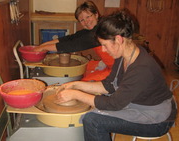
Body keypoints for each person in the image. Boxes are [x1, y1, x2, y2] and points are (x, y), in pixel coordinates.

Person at [54, 9, 177, 141]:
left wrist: (76, 94)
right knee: (97, 101)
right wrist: (76, 85)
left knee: (93, 120)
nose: (103, 50)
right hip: (139, 104)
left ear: (118, 39)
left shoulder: (142, 68)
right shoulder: (124, 54)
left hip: (156, 119)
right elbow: (109, 85)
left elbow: (114, 104)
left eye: (105, 45)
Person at [34, 1, 114, 81]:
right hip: (110, 64)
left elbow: (72, 45)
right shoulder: (94, 28)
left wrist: (45, 48)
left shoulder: (99, 31)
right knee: (87, 67)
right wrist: (43, 45)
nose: (86, 21)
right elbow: (70, 38)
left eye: (88, 17)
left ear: (96, 15)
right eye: (82, 20)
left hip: (118, 70)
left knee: (84, 83)